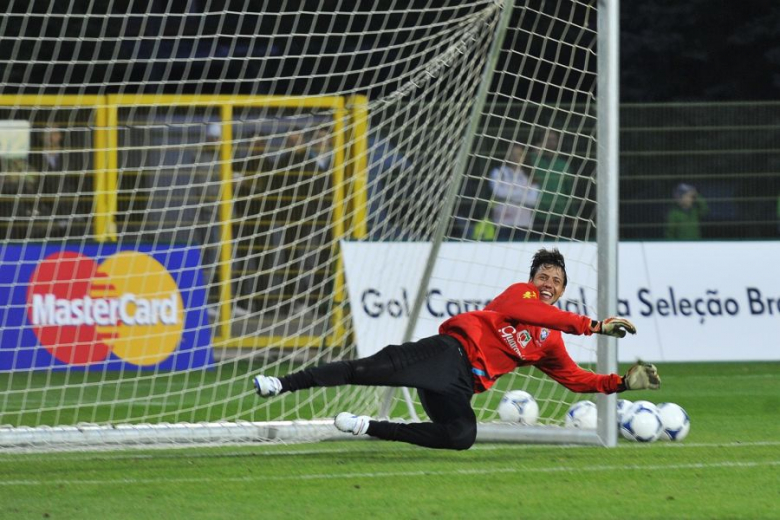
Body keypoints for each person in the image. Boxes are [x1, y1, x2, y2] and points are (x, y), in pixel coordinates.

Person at [251, 248, 661, 451]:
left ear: (565, 289)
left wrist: (622, 382)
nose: (548, 282)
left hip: (459, 386)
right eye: (543, 276)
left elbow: (574, 380)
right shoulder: (520, 295)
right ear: (532, 280)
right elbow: (529, 311)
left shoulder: (550, 339)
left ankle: (368, 427)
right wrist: (593, 326)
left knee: (462, 435)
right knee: (361, 370)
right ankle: (280, 384)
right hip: (446, 353)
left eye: (556, 279)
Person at [484, 143, 540, 241]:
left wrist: (509, 194)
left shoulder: (529, 175)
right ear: (508, 155)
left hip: (523, 224)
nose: (515, 157)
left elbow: (533, 200)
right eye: (512, 154)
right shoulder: (498, 172)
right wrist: (521, 193)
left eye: (519, 154)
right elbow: (498, 192)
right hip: (502, 222)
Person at [528, 130, 574, 236]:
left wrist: (573, 216)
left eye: (554, 139)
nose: (551, 142)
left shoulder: (563, 165)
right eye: (547, 139)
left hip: (560, 215)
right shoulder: (533, 160)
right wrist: (534, 154)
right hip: (537, 215)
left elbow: (569, 191)